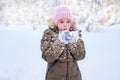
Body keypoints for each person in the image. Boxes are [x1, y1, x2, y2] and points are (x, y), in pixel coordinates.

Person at [40, 5, 86, 80]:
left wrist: (72, 41)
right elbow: (48, 57)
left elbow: (81, 55)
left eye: (68, 21)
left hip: (74, 77)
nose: (65, 24)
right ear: (56, 22)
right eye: (61, 21)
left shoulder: (74, 35)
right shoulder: (49, 35)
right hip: (55, 77)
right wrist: (60, 41)